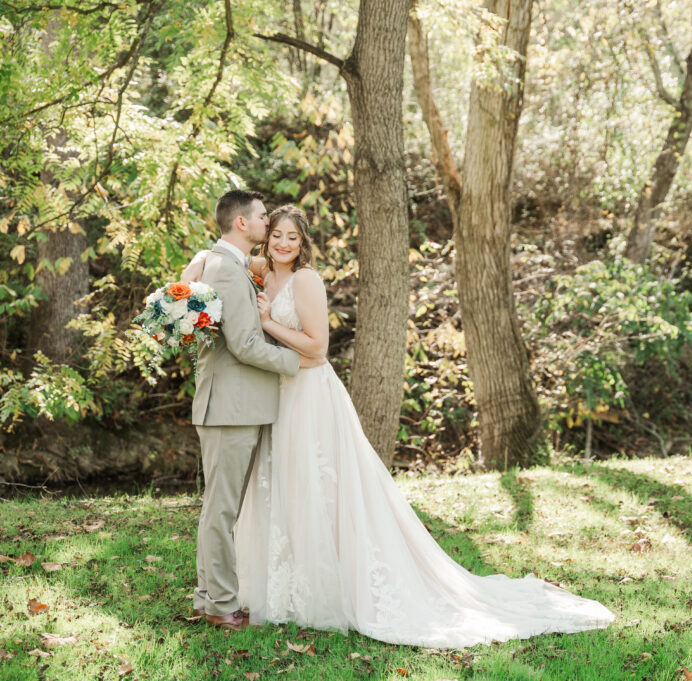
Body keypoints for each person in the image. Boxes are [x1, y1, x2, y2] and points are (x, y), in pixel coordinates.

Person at [224, 204, 615, 647]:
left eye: (293, 238)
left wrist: (269, 322)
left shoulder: (306, 280)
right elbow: (220, 259)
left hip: (310, 395)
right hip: (278, 395)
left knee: (322, 489)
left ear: (303, 243)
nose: (283, 244)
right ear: (265, 236)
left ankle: (327, 588)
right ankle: (282, 588)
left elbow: (318, 349)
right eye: (276, 235)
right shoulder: (260, 270)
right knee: (286, 486)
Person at [185, 190, 323, 632]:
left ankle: (210, 596)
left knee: (218, 509)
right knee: (221, 511)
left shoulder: (228, 262)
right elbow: (244, 345)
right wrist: (295, 363)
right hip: (231, 406)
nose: (270, 226)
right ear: (243, 224)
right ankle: (221, 604)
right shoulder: (225, 267)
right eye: (265, 219)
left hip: (237, 405)